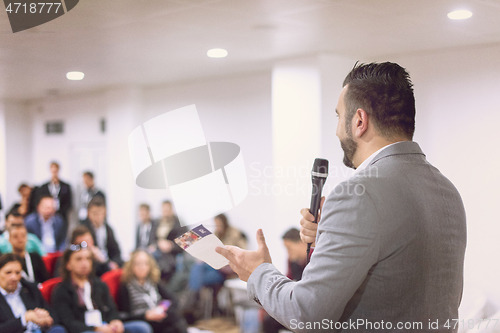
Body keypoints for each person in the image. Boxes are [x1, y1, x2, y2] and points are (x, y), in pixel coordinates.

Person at [216, 62, 467, 332]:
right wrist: (331, 234)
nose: (337, 130)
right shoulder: (447, 190)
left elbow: (306, 314)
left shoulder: (359, 195)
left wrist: (259, 272)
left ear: (359, 121)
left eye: (338, 116)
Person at [51, 243, 152, 333]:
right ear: (68, 264)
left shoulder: (99, 284)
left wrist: (115, 322)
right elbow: (69, 322)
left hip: (106, 325)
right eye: (79, 259)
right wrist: (96, 328)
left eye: (88, 259)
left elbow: (112, 309)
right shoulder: (62, 290)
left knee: (142, 328)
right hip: (86, 329)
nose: (84, 263)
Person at [117, 250, 188, 333]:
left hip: (159, 316)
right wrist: (146, 315)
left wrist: (162, 309)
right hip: (143, 320)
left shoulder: (153, 282)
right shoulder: (126, 286)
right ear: (131, 266)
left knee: (173, 322)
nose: (142, 267)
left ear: (150, 266)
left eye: (145, 263)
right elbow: (124, 315)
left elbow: (174, 300)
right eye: (138, 264)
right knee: (174, 322)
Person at [0, 253, 67, 333]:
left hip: (37, 330)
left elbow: (53, 314)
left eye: (17, 273)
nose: (14, 277)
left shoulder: (30, 288)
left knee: (58, 329)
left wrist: (45, 318)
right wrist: (24, 319)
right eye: (8, 272)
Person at [263, 228, 307, 333]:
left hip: (310, 308)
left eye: (289, 248)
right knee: (268, 321)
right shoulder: (291, 261)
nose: (288, 252)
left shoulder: (314, 259)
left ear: (301, 243)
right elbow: (287, 280)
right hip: (299, 305)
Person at [80, 196, 123, 268]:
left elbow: (116, 251)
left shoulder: (108, 229)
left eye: (100, 213)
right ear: (88, 213)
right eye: (94, 213)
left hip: (108, 262)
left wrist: (115, 262)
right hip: (94, 264)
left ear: (105, 213)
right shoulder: (83, 229)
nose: (98, 217)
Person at [149, 201, 185, 282]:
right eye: (164, 210)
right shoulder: (156, 223)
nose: (166, 212)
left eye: (168, 210)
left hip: (171, 254)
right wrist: (158, 243)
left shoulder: (178, 224)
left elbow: (184, 243)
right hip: (156, 250)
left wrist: (171, 245)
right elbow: (151, 239)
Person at [38, 162, 72, 231]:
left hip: (61, 215)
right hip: (47, 215)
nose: (54, 173)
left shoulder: (66, 186)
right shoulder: (44, 187)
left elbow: (69, 203)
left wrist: (59, 212)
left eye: (55, 171)